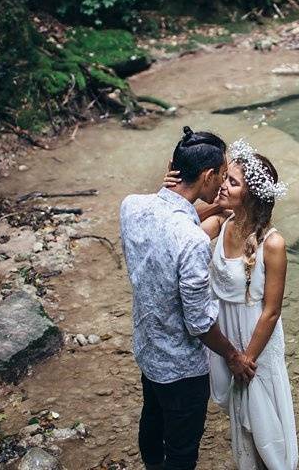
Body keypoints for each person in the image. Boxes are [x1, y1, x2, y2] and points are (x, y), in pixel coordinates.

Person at [120, 127, 257, 470]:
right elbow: (198, 323)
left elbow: (169, 219)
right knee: (181, 454)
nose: (223, 184)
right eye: (222, 176)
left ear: (173, 167)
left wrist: (209, 211)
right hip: (182, 369)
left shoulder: (131, 206)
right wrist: (232, 356)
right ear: (208, 176)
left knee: (152, 421)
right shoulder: (191, 241)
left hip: (148, 351)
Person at [165, 138, 298, 470]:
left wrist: (247, 357)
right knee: (240, 414)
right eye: (225, 178)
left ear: (250, 194)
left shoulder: (273, 243)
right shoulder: (222, 223)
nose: (222, 185)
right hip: (226, 334)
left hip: (257, 337)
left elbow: (272, 310)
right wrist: (170, 190)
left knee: (264, 411)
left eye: (233, 182)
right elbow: (181, 221)